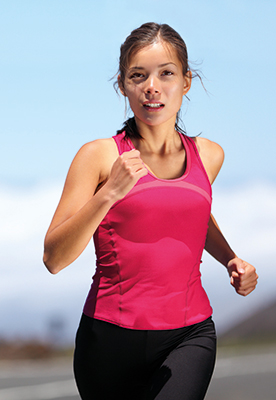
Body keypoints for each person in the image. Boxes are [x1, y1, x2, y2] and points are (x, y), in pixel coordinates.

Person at [43, 22, 258, 400]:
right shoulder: (99, 156)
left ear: (186, 82)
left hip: (190, 333)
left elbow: (193, 215)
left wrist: (230, 259)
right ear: (122, 85)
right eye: (138, 76)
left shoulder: (208, 155)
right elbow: (54, 258)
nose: (152, 87)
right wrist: (108, 193)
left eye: (166, 73)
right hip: (109, 341)